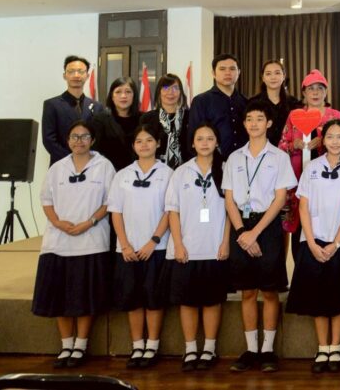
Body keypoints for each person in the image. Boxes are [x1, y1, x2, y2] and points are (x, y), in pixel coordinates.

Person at [32, 120, 114, 369]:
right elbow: (46, 200)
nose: (79, 141)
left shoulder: (104, 166)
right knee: (60, 297)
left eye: (84, 136)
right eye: (74, 137)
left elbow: (110, 202)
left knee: (85, 296)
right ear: (68, 141)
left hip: (91, 240)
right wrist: (57, 222)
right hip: (58, 241)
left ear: (92, 140)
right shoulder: (57, 167)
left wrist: (89, 222)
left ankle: (81, 345)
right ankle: (66, 344)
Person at [223, 100, 298, 373]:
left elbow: (280, 198)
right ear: (244, 124)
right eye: (249, 119)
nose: (254, 123)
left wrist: (255, 232)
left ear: (269, 123)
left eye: (259, 118)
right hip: (241, 227)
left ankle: (267, 350)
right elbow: (229, 199)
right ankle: (251, 349)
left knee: (269, 291)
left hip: (268, 226)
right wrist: (242, 232)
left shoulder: (279, 157)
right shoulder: (234, 157)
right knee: (247, 292)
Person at [286, 119, 340, 374]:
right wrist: (310, 241)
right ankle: (322, 348)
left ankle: (335, 347)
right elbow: (303, 205)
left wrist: (337, 242)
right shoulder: (312, 167)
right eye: (330, 136)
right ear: (323, 139)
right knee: (317, 298)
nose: (335, 141)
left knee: (339, 297)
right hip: (313, 240)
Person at [164, 123, 230, 372]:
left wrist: (225, 242)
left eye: (210, 138)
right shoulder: (181, 172)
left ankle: (209, 349)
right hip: (187, 249)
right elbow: (172, 211)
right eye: (199, 139)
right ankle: (190, 349)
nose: (204, 143)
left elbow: (230, 210)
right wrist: (178, 244)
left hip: (215, 247)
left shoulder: (226, 169)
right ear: (192, 143)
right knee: (188, 302)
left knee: (212, 301)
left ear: (217, 142)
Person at [107, 122, 173, 369]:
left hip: (157, 247)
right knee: (132, 298)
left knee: (154, 299)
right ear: (133, 146)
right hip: (128, 250)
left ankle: (152, 346)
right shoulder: (122, 175)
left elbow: (170, 211)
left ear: (158, 143)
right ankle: (137, 345)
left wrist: (153, 241)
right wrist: (125, 245)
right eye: (139, 141)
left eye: (149, 140)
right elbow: (115, 212)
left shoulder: (168, 174)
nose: (144, 145)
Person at [278, 69, 340, 251]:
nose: (315, 93)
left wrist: (324, 141)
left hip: (328, 178)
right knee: (299, 221)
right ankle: (300, 261)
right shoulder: (294, 115)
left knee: (325, 217)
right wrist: (294, 145)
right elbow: (281, 145)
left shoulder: (335, 116)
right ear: (304, 93)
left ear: (326, 91)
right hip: (298, 177)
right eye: (310, 89)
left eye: (320, 88)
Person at [42, 55, 105, 165]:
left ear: (87, 75)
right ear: (64, 75)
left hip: (91, 165)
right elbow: (49, 140)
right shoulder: (52, 105)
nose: (76, 75)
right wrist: (72, 160)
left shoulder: (97, 107)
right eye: (71, 71)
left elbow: (99, 139)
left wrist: (87, 159)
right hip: (61, 165)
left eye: (80, 71)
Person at [188, 53, 247, 161]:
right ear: (213, 73)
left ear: (239, 72)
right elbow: (193, 135)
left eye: (232, 69)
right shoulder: (201, 101)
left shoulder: (246, 102)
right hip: (213, 163)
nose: (227, 73)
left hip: (243, 162)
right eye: (222, 69)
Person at [140, 73, 191, 169]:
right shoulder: (147, 118)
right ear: (159, 91)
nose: (170, 92)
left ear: (180, 92)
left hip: (186, 170)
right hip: (155, 170)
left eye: (175, 88)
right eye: (166, 87)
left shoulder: (190, 116)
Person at [93, 77, 142, 170]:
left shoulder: (143, 119)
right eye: (118, 92)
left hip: (138, 172)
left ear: (134, 95)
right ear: (112, 96)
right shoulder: (100, 120)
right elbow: (95, 152)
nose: (123, 96)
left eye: (128, 92)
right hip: (108, 171)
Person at [249, 59, 300, 147]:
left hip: (288, 152)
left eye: (277, 73)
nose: (273, 77)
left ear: (284, 76)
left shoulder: (294, 103)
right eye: (268, 74)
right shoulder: (253, 102)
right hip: (261, 150)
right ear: (263, 78)